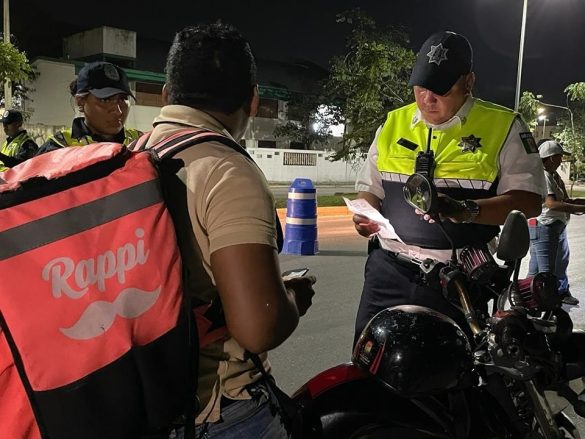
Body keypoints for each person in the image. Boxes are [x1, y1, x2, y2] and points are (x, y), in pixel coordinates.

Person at [142, 23, 315, 438]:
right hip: (218, 412)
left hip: (141, 402)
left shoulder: (135, 155)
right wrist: (293, 298)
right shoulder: (225, 170)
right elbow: (258, 328)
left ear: (166, 95)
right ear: (252, 100)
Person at [352, 30, 545, 343]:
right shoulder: (392, 123)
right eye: (421, 87)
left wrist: (465, 210)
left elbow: (530, 202)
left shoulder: (504, 126)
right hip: (388, 271)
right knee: (370, 360)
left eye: (440, 89)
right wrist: (365, 213)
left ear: (468, 82)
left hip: (456, 279)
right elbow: (370, 190)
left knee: (452, 367)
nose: (427, 99)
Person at [36, 61, 141, 154]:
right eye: (105, 100)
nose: (118, 111)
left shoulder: (140, 142)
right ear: (80, 102)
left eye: (123, 99)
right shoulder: (59, 148)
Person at [528, 140, 585, 305]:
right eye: (560, 156)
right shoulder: (543, 175)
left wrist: (579, 204)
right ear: (551, 157)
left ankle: (531, 298)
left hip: (555, 225)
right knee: (545, 271)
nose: (562, 160)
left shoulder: (553, 175)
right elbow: (551, 203)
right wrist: (576, 208)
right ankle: (547, 304)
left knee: (549, 265)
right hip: (544, 225)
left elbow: (565, 200)